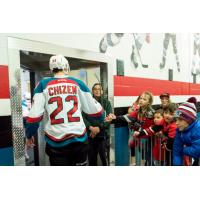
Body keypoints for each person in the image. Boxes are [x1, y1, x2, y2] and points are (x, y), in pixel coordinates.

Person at [25, 55, 105, 166]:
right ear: (66, 67)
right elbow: (97, 111)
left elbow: (33, 118)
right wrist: (103, 117)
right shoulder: (78, 83)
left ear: (51, 68)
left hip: (55, 142)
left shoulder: (43, 84)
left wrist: (29, 135)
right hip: (79, 140)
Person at [82, 83, 112, 166]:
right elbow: (83, 117)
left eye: (99, 89)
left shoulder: (106, 103)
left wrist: (98, 128)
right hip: (91, 136)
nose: (97, 91)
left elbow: (109, 118)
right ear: (92, 91)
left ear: (102, 91)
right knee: (92, 160)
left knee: (105, 160)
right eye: (95, 89)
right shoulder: (87, 103)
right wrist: (91, 127)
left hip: (103, 136)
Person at [173, 101, 200, 166]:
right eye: (176, 119)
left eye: (180, 120)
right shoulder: (179, 131)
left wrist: (183, 149)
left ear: (189, 120)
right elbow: (176, 153)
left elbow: (197, 151)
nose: (176, 123)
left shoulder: (198, 129)